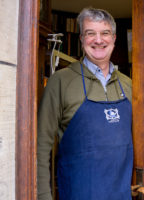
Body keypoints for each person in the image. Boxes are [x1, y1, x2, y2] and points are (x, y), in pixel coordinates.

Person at [37, 7, 133, 200]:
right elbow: (40, 147)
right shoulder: (61, 81)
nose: (98, 40)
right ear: (81, 39)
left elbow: (142, 137)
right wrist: (43, 196)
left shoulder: (129, 84)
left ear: (114, 38)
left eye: (105, 33)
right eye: (91, 34)